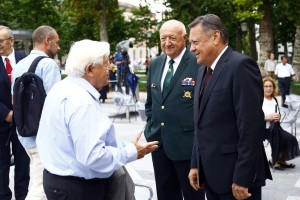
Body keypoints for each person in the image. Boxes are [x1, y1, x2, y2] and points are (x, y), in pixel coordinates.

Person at [36, 39, 158, 200]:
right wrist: (130, 152)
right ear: (90, 69)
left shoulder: (63, 87)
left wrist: (125, 147)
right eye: (106, 64)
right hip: (79, 188)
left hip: (60, 182)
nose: (111, 68)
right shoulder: (82, 102)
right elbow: (94, 157)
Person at [188, 14, 272, 200]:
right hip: (210, 175)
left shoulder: (240, 66)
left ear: (215, 37)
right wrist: (196, 164)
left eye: (195, 42)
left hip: (236, 180)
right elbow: (200, 123)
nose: (192, 48)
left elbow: (251, 128)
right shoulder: (203, 70)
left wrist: (242, 177)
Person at [144, 19, 205, 200]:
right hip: (159, 144)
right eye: (163, 38)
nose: (167, 43)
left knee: (193, 195)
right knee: (165, 195)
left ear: (185, 38)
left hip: (187, 146)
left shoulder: (198, 62)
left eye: (172, 38)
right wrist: (151, 128)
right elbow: (151, 102)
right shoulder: (156, 63)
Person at [11, 25, 61, 200]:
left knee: (37, 179)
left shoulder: (19, 65)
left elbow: (14, 100)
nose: (59, 47)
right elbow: (55, 105)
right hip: (42, 137)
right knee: (39, 189)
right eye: (57, 42)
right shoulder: (48, 65)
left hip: (25, 134)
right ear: (48, 41)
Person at [0, 25, 30, 200]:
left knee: (23, 164)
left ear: (11, 41)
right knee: (1, 165)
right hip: (1, 121)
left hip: (23, 124)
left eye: (1, 41)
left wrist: (22, 113)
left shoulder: (24, 59)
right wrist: (6, 113)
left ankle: (22, 196)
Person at [262, 77, 300, 170]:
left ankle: (281, 160)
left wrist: (278, 116)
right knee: (277, 138)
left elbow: (277, 113)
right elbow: (254, 118)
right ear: (262, 88)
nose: (268, 88)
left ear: (273, 87)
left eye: (270, 86)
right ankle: (273, 160)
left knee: (290, 139)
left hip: (275, 127)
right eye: (266, 86)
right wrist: (269, 117)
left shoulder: (274, 99)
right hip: (264, 129)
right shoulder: (259, 100)